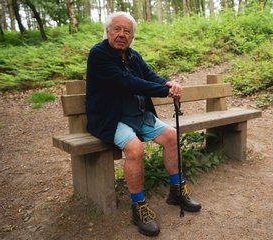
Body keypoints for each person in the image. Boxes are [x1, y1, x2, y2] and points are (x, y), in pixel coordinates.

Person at [85, 12, 201, 236]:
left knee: (171, 136)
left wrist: (169, 83)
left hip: (138, 114)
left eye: (127, 31)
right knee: (135, 148)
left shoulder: (132, 56)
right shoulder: (99, 54)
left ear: (132, 36)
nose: (121, 34)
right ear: (107, 32)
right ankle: (138, 206)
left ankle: (177, 191)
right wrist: (164, 90)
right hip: (111, 117)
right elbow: (126, 82)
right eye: (117, 29)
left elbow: (149, 75)